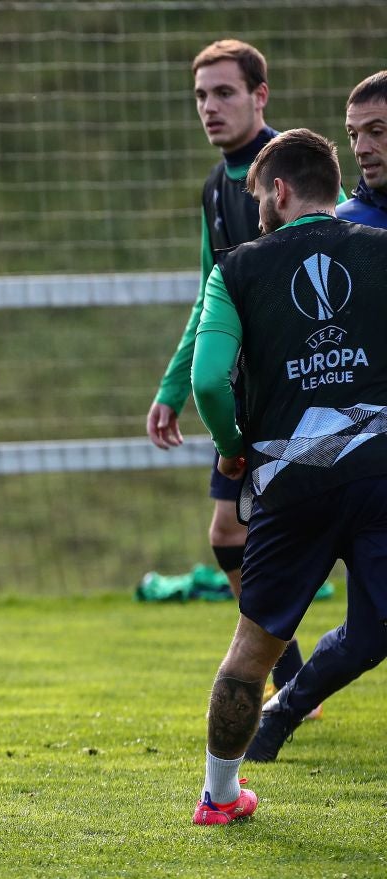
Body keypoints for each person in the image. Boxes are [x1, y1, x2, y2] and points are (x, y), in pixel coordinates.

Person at [187, 127, 387, 825]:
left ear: (277, 191)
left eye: (258, 198)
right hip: (380, 475)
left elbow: (208, 380)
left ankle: (218, 797)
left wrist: (233, 445)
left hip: (288, 480)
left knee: (252, 644)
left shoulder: (237, 269)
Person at [145, 39, 309, 695]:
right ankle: (292, 681)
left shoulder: (292, 169)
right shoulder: (217, 185)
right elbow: (210, 296)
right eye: (201, 96)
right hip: (246, 395)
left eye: (224, 93)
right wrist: (172, 386)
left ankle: (293, 681)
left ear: (259, 95)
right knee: (230, 533)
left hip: (304, 390)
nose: (210, 108)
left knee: (308, 531)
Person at [246, 70, 387, 761]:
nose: (364, 147)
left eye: (378, 131)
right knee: (373, 632)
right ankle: (283, 708)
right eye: (355, 133)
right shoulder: (345, 235)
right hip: (353, 464)